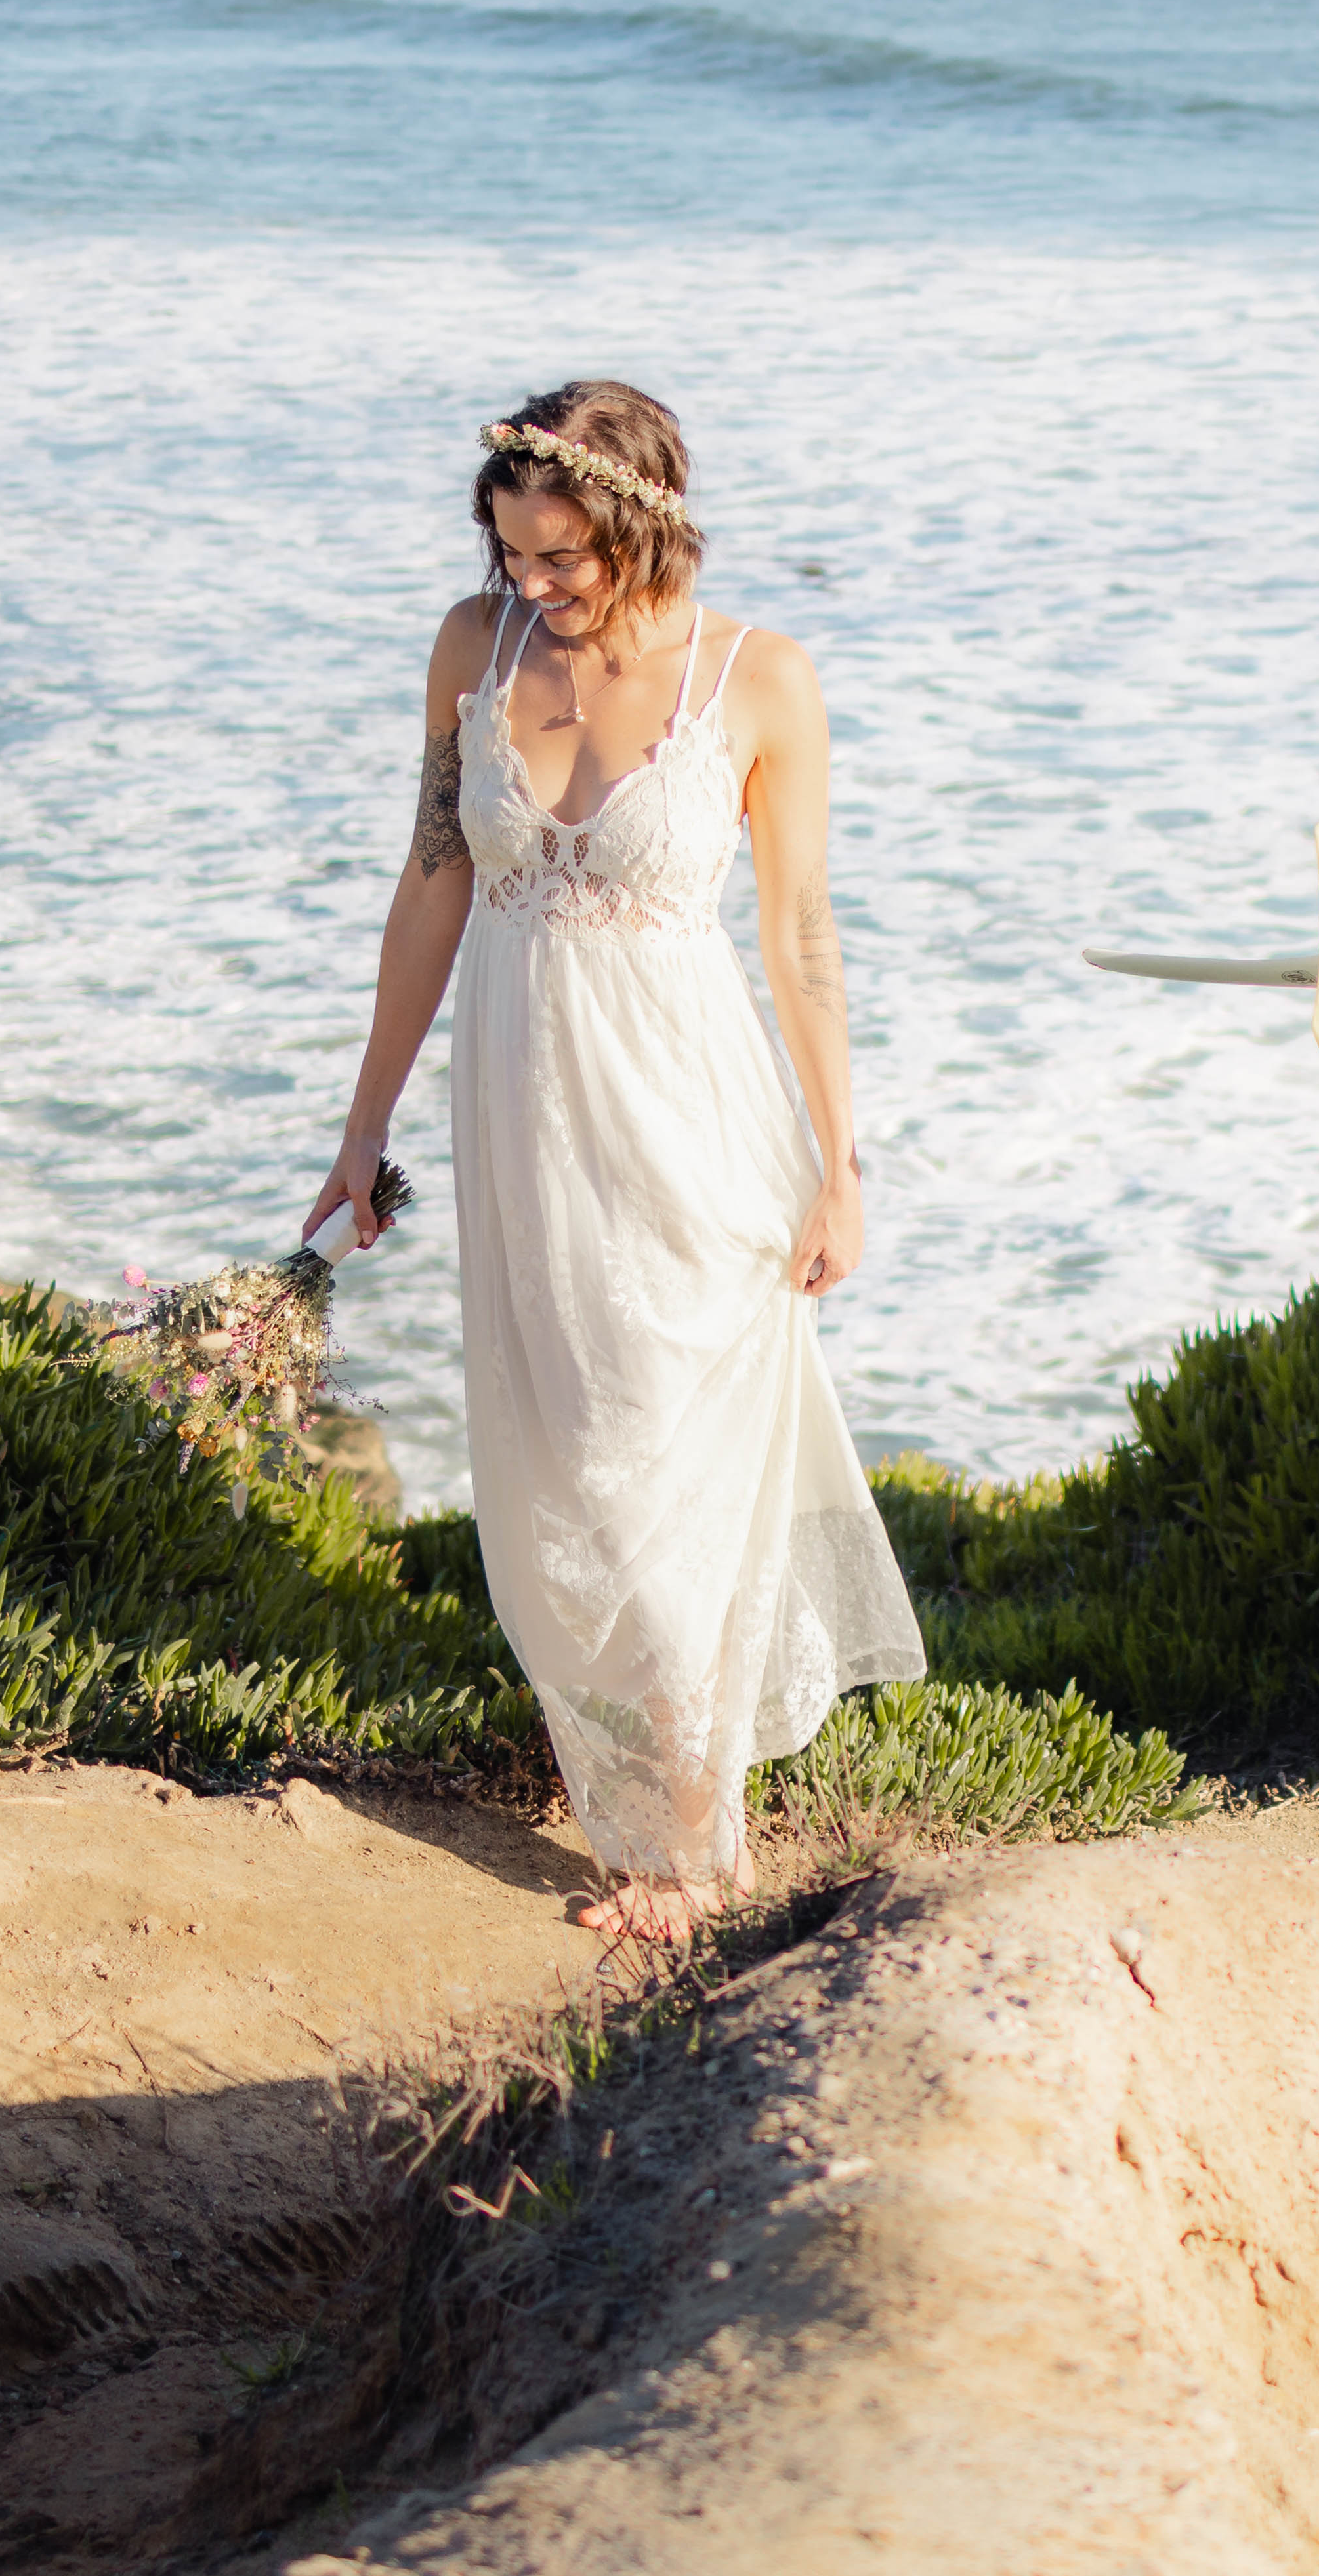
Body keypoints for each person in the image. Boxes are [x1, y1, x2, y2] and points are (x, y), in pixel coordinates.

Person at [313, 380, 922, 1943]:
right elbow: (433, 885)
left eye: (564, 555)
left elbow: (797, 935)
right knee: (568, 1443)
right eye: (512, 552)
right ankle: (648, 1788)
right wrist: (363, 1122)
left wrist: (841, 1164)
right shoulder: (474, 647)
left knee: (674, 1443)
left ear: (642, 526)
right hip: (522, 1112)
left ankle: (689, 1844)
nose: (533, 583)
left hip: (693, 1114)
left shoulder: (759, 679)